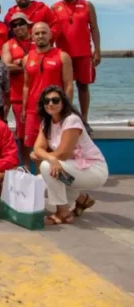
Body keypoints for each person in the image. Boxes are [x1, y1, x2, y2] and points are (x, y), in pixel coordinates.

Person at [34, 87, 108, 225]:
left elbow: (63, 153)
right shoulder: (46, 123)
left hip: (93, 170)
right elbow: (37, 149)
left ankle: (63, 213)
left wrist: (48, 158)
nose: (50, 104)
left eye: (55, 100)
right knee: (38, 184)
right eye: (46, 100)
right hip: (72, 168)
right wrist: (50, 157)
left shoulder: (71, 120)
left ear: (63, 102)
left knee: (46, 167)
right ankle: (82, 199)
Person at [52, 0, 101, 123]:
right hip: (63, 54)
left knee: (83, 85)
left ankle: (84, 119)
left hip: (84, 53)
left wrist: (97, 50)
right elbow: (51, 30)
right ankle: (64, 116)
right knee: (63, 86)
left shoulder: (87, 5)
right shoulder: (55, 8)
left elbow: (94, 28)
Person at [23, 22, 73, 151]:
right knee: (35, 148)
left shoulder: (63, 56)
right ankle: (40, 172)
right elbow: (26, 86)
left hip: (54, 108)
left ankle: (52, 171)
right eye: (37, 33)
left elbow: (68, 84)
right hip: (33, 110)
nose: (40, 36)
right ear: (32, 37)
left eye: (44, 32)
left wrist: (66, 108)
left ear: (50, 35)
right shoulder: (27, 58)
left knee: (55, 146)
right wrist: (24, 108)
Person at [0, 12, 34, 166]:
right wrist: (28, 65)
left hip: (42, 95)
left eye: (21, 23)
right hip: (18, 95)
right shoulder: (8, 45)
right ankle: (27, 167)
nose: (18, 27)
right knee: (22, 134)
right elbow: (5, 67)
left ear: (28, 25)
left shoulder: (37, 39)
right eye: (14, 25)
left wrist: (21, 63)